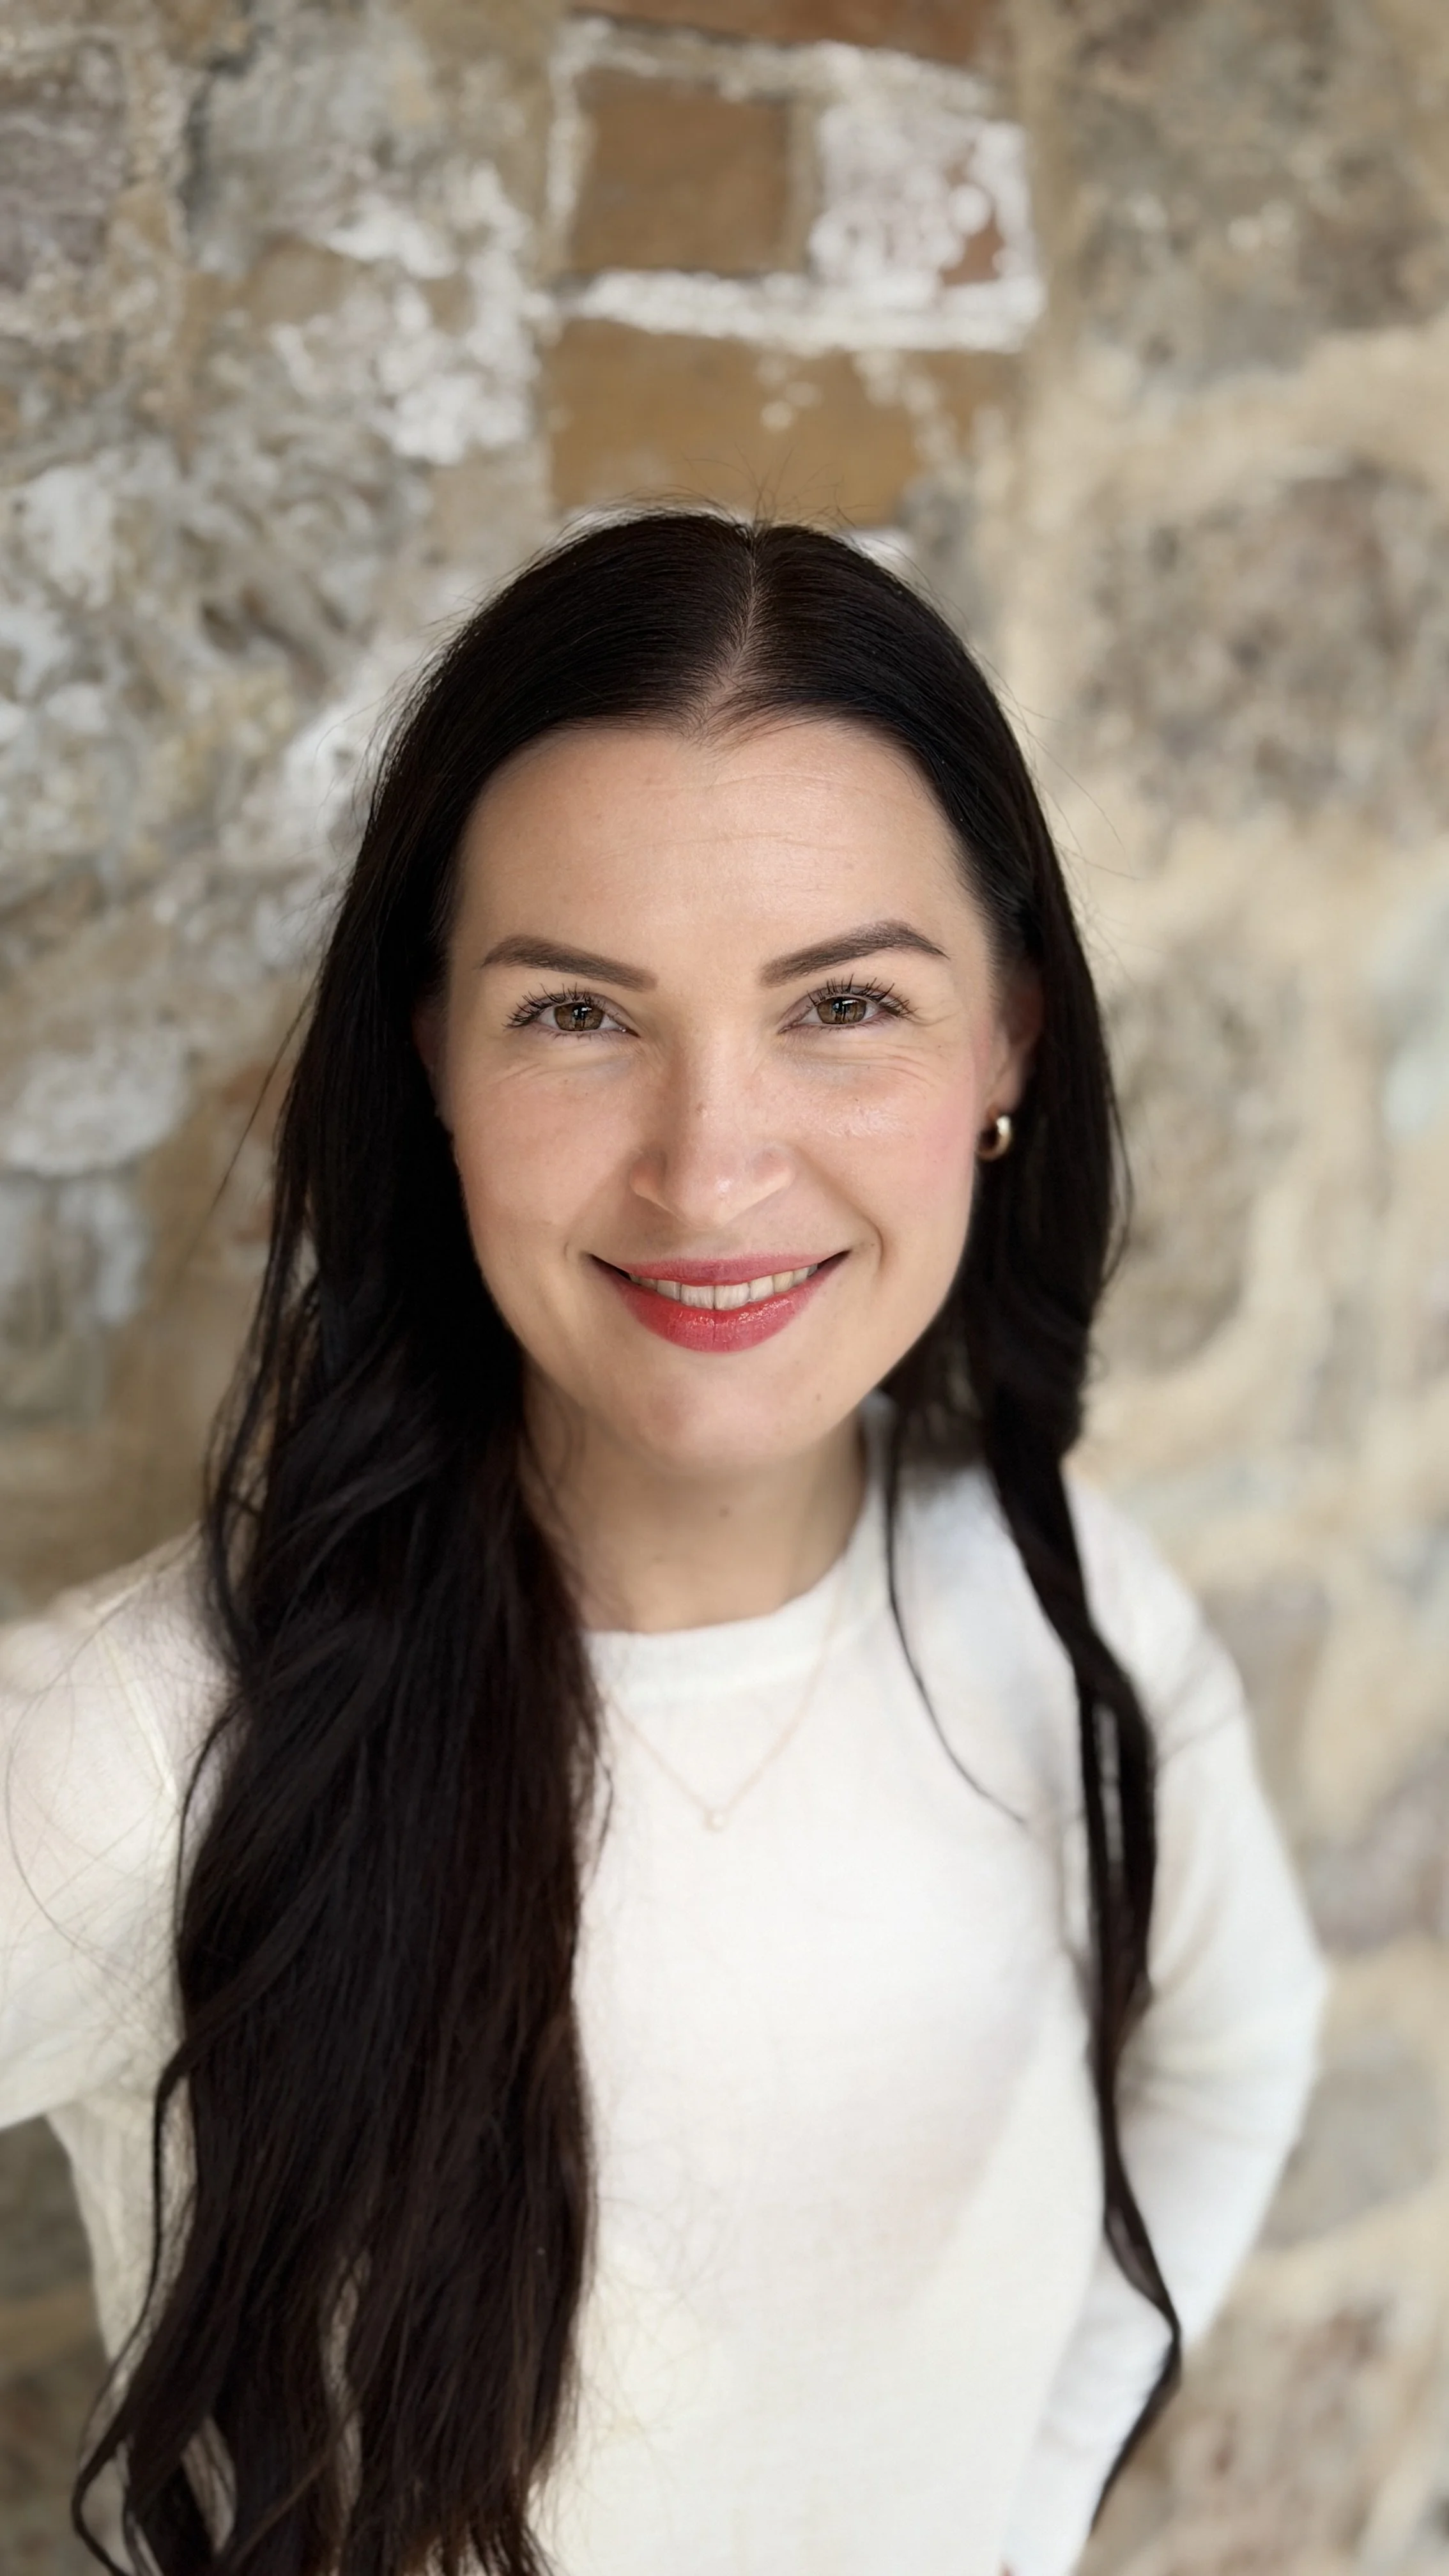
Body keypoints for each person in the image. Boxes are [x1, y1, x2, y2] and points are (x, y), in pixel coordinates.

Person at [0, 511, 1326, 2576]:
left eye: (845, 1006)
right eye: (575, 1016)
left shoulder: (1067, 1612)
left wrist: (1025, 2510)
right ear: (429, 1051)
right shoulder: (155, 1739)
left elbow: (1241, 2054)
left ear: (1006, 1047)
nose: (710, 1165)